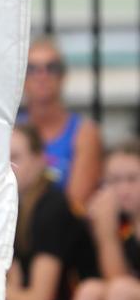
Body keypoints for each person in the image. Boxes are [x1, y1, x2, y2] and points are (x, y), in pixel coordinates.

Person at [6, 123, 87, 300]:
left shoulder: (51, 207)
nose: (7, 167)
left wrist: (3, 292)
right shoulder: (14, 204)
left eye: (15, 157)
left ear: (40, 160)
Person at [69, 140, 140, 300]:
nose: (122, 189)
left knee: (121, 292)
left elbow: (120, 283)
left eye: (132, 179)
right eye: (114, 181)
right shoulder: (119, 219)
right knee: (90, 292)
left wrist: (106, 235)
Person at [21, 37, 102, 209]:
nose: (42, 75)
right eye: (32, 69)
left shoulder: (84, 132)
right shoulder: (10, 131)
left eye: (52, 68)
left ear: (63, 76)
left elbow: (75, 206)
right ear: (21, 77)